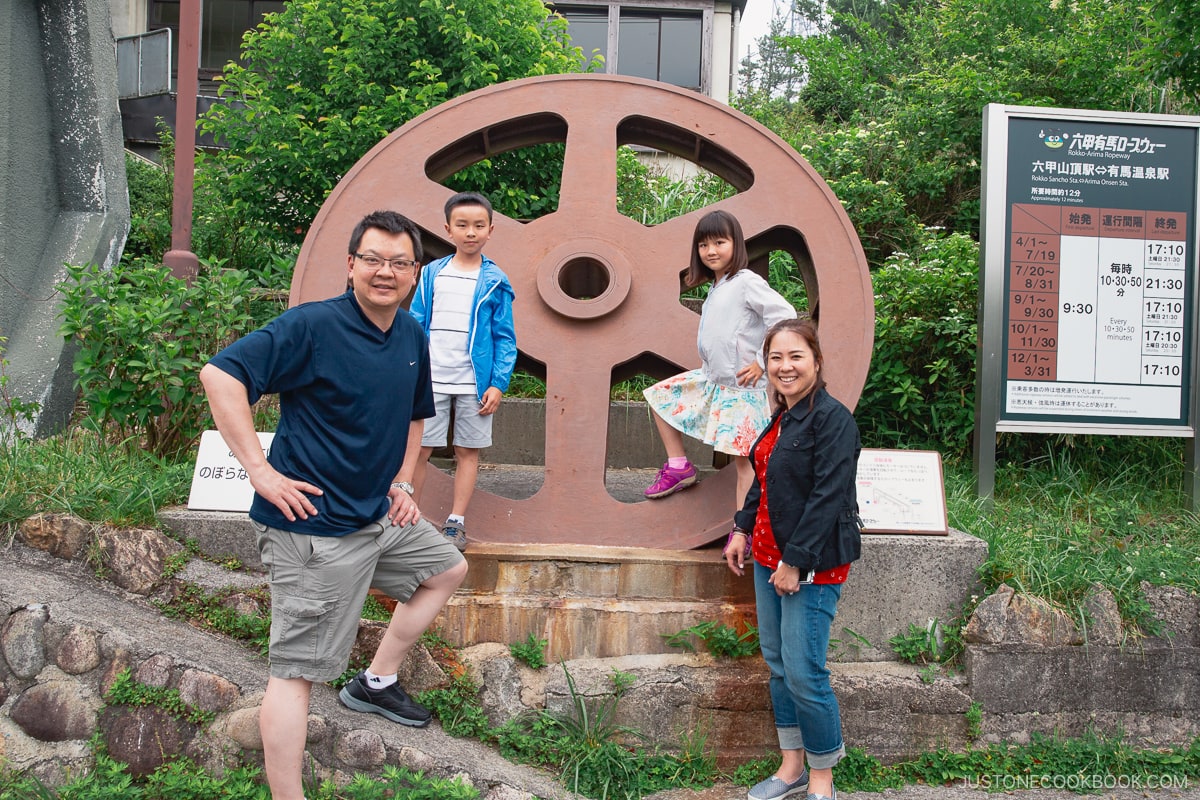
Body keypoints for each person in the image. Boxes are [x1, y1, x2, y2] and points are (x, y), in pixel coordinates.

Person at [199, 210, 468, 800]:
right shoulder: (312, 326)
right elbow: (221, 376)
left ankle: (377, 679)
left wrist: (402, 482)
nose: (385, 272)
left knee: (446, 566)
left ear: (415, 273)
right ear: (350, 264)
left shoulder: (409, 334)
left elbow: (416, 415)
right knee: (296, 677)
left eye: (400, 263)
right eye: (372, 259)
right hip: (315, 530)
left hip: (374, 515)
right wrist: (262, 472)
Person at [723, 318, 862, 800]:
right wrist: (741, 529)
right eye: (776, 358)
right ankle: (791, 767)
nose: (785, 367)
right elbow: (764, 482)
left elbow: (829, 496)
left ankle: (822, 778)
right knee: (780, 664)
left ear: (816, 362)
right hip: (767, 557)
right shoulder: (781, 417)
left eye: (795, 356)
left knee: (805, 671)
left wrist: (796, 563)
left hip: (812, 565)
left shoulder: (833, 420)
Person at [642, 209, 795, 516]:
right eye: (703, 245)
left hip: (742, 390)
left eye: (719, 243)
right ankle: (679, 466)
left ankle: (743, 528)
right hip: (712, 381)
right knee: (659, 398)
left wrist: (761, 362)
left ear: (736, 244)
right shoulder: (718, 285)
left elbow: (785, 315)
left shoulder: (745, 282)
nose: (711, 251)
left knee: (744, 464)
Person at [407, 191, 517, 551]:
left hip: (475, 383)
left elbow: (504, 337)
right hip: (431, 379)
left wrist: (498, 383)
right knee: (419, 448)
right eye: (462, 225)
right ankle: (410, 519)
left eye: (478, 226)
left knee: (467, 451)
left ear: (491, 230)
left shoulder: (496, 281)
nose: (471, 232)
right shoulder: (431, 274)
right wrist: (410, 370)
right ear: (448, 230)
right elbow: (415, 322)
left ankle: (456, 523)